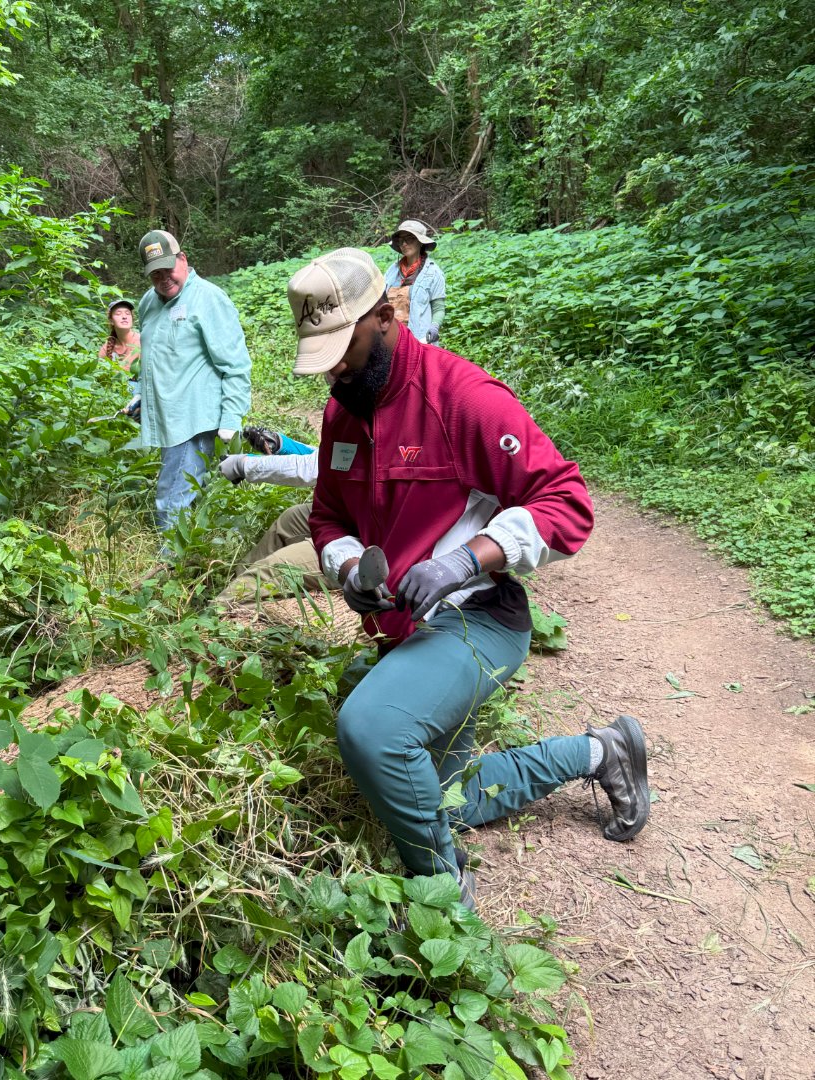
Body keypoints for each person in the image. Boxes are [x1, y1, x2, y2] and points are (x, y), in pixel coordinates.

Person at [286, 247, 649, 907]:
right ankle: (600, 754)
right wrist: (345, 566)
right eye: (324, 355)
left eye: (346, 348)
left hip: (476, 620)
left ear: (386, 315)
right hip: (402, 631)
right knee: (444, 800)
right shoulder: (344, 409)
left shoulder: (462, 399)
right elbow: (327, 517)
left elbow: (567, 505)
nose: (335, 369)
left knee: (372, 729)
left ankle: (442, 899)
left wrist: (465, 558)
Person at [136, 230, 252, 531]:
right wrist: (142, 398)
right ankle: (192, 556)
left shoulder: (209, 299)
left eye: (168, 269)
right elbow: (154, 357)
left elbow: (235, 364)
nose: (164, 279)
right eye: (155, 274)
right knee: (187, 490)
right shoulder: (148, 302)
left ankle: (169, 567)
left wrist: (231, 417)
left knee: (172, 496)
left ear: (183, 259)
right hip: (165, 418)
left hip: (194, 418)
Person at [217, 448, 320, 600]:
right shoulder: (353, 426)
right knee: (291, 520)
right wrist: (282, 444)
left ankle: (217, 613)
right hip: (356, 517)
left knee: (274, 569)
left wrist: (245, 464)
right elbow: (328, 455)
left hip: (364, 546)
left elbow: (312, 467)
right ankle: (238, 581)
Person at [384, 219, 447, 345]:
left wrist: (434, 327)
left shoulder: (433, 273)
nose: (404, 243)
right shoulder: (392, 271)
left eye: (409, 238)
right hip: (391, 339)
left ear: (420, 242)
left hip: (419, 340)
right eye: (401, 240)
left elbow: (438, 308)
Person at [98, 298, 141, 375]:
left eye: (128, 313)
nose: (124, 317)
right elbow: (98, 369)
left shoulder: (139, 340)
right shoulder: (109, 344)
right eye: (118, 314)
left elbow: (124, 371)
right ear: (111, 321)